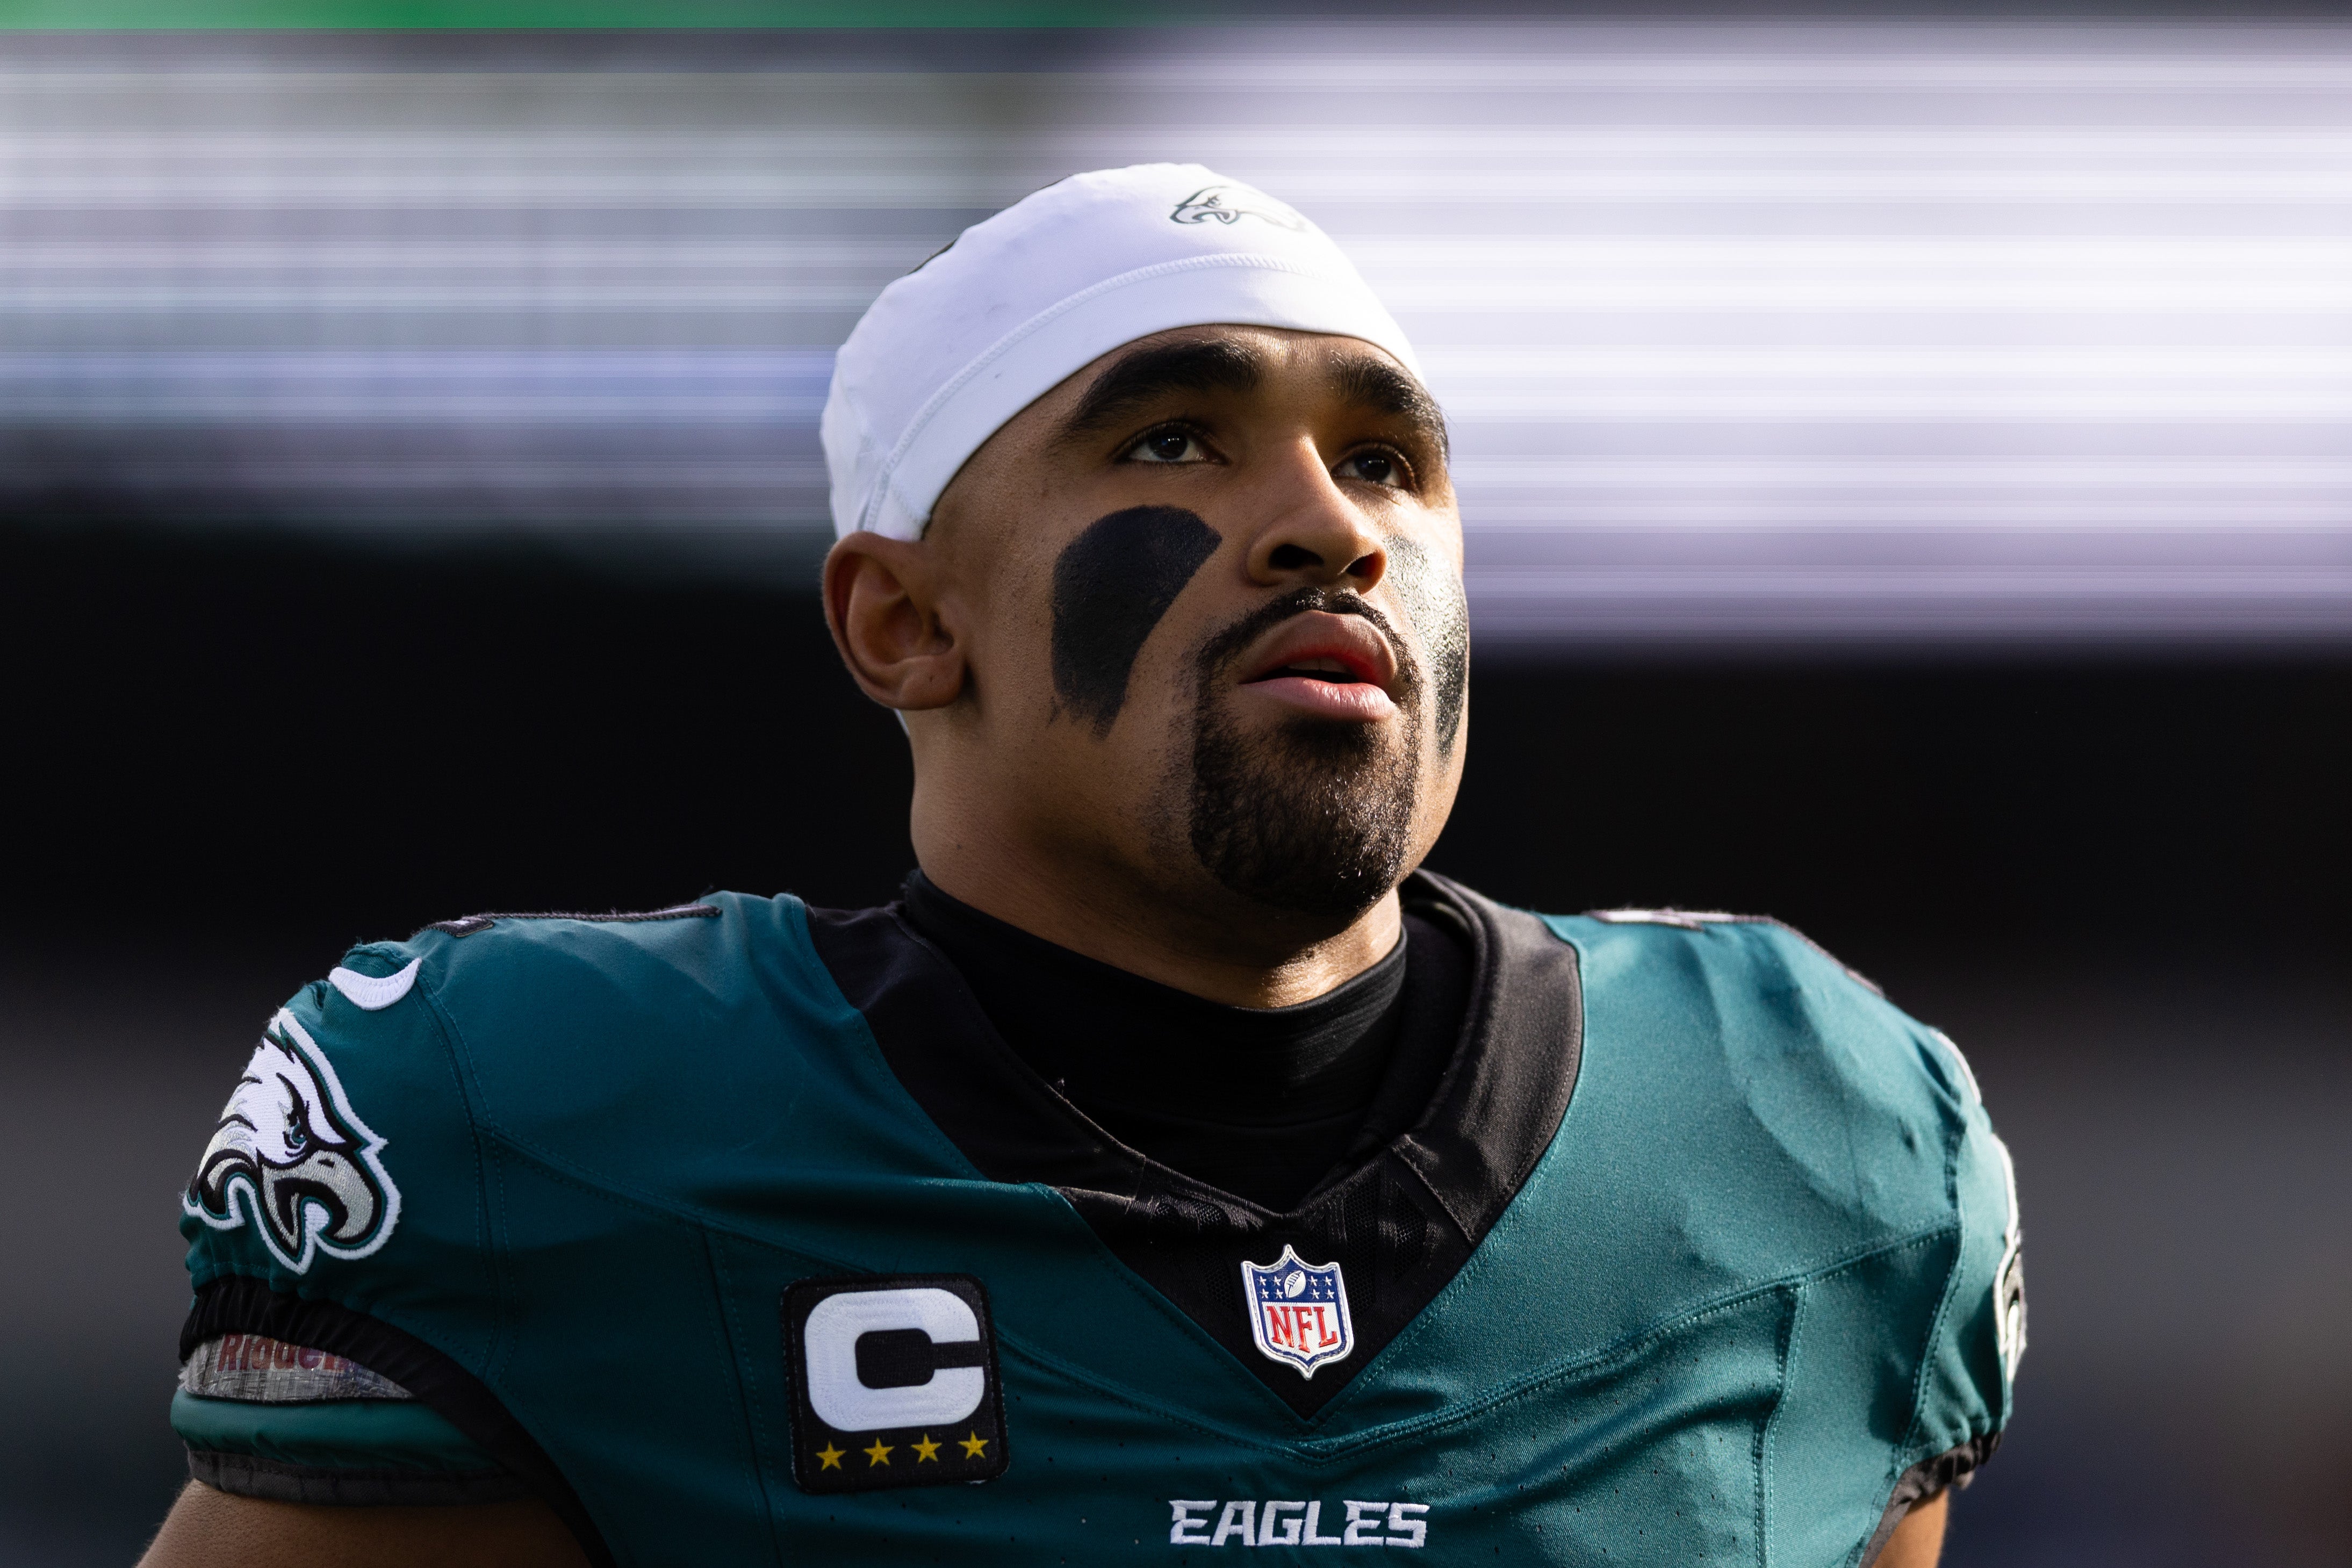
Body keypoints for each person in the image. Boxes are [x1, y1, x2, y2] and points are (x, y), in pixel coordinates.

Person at [142, 164, 2022, 1568]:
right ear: (900, 625)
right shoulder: (531, 1114)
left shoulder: (1806, 1121)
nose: (1321, 526)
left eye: (1385, 463)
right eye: (1179, 437)